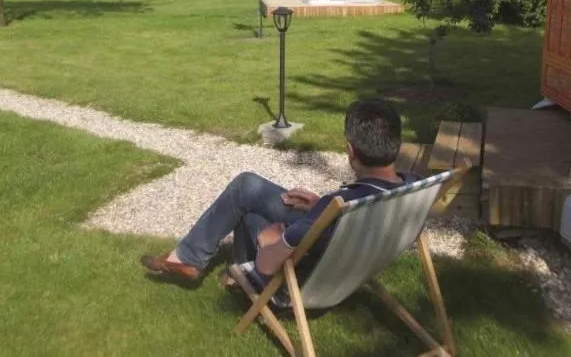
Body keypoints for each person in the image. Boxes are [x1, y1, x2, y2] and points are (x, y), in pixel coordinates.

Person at [140, 98, 420, 288]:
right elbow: (342, 223)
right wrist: (319, 205)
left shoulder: (339, 206)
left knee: (249, 209)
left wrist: (269, 238)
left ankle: (206, 265)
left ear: (350, 150)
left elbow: (270, 259)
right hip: (343, 247)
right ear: (397, 144)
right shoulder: (413, 188)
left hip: (315, 274)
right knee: (248, 186)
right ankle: (205, 264)